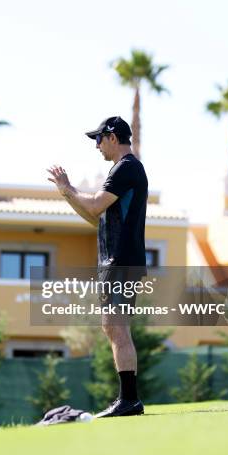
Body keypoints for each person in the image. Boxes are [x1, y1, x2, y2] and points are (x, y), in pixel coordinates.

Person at [47, 116, 148, 417]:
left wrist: (68, 189)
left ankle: (129, 400)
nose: (96, 146)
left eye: (99, 139)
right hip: (116, 262)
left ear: (113, 137)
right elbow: (95, 217)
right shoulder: (123, 170)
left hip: (121, 262)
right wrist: (68, 194)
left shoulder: (127, 168)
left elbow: (92, 206)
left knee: (116, 326)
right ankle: (128, 398)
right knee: (114, 326)